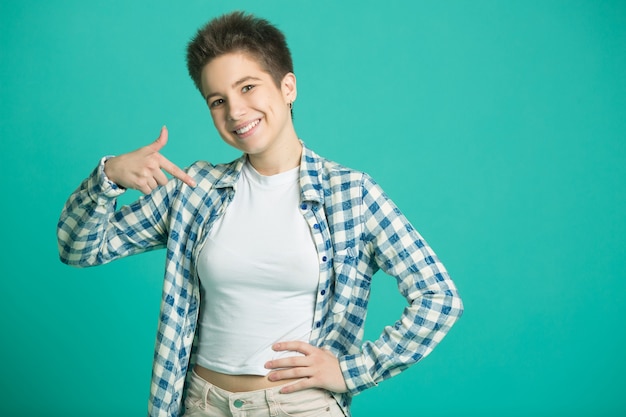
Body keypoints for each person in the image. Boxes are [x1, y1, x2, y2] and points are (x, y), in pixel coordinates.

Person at [57, 11, 463, 417]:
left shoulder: (350, 195)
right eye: (218, 101)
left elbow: (439, 297)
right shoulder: (194, 190)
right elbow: (79, 250)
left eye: (247, 87)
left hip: (297, 407)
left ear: (288, 87)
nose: (235, 112)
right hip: (201, 403)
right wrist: (108, 178)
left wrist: (350, 371)